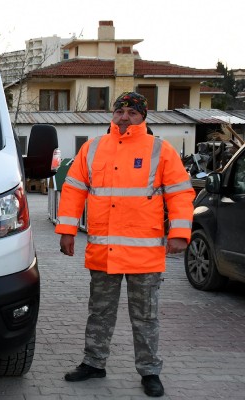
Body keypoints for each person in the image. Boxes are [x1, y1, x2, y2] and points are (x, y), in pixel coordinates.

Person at [55, 92, 195, 397]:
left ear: (143, 116)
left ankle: (150, 371)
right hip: (104, 252)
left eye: (132, 112)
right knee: (99, 311)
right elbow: (74, 189)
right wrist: (66, 230)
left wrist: (180, 234)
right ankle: (93, 363)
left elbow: (181, 194)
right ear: (112, 113)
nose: (125, 116)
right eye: (120, 110)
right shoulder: (92, 148)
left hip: (144, 255)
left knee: (146, 316)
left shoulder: (160, 150)